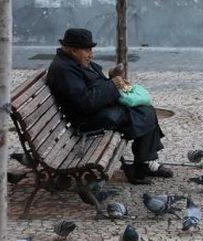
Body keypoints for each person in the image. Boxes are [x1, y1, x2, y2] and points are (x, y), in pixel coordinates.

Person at [47, 28, 171, 184]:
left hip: (98, 110)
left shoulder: (74, 62)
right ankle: (143, 165)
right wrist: (112, 85)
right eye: (87, 50)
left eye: (91, 49)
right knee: (145, 113)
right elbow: (85, 103)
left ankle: (144, 163)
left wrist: (113, 80)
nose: (91, 54)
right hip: (88, 120)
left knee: (145, 110)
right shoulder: (64, 70)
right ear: (73, 50)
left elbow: (94, 87)